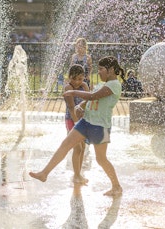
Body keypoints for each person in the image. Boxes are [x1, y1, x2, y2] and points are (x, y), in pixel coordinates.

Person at [29, 56, 123, 196]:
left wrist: (73, 92)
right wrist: (80, 105)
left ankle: (116, 186)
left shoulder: (114, 84)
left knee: (101, 159)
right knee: (65, 145)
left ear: (110, 70)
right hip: (86, 121)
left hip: (100, 126)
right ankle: (44, 173)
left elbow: (94, 96)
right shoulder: (104, 83)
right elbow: (91, 97)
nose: (99, 73)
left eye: (101, 69)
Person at [64, 64, 89, 183]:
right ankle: (76, 175)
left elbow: (89, 100)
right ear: (70, 78)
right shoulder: (68, 88)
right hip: (72, 120)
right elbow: (71, 107)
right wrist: (76, 123)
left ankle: (78, 173)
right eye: (75, 79)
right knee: (77, 148)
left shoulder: (83, 86)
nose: (78, 82)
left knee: (83, 147)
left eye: (81, 79)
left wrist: (86, 87)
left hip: (82, 120)